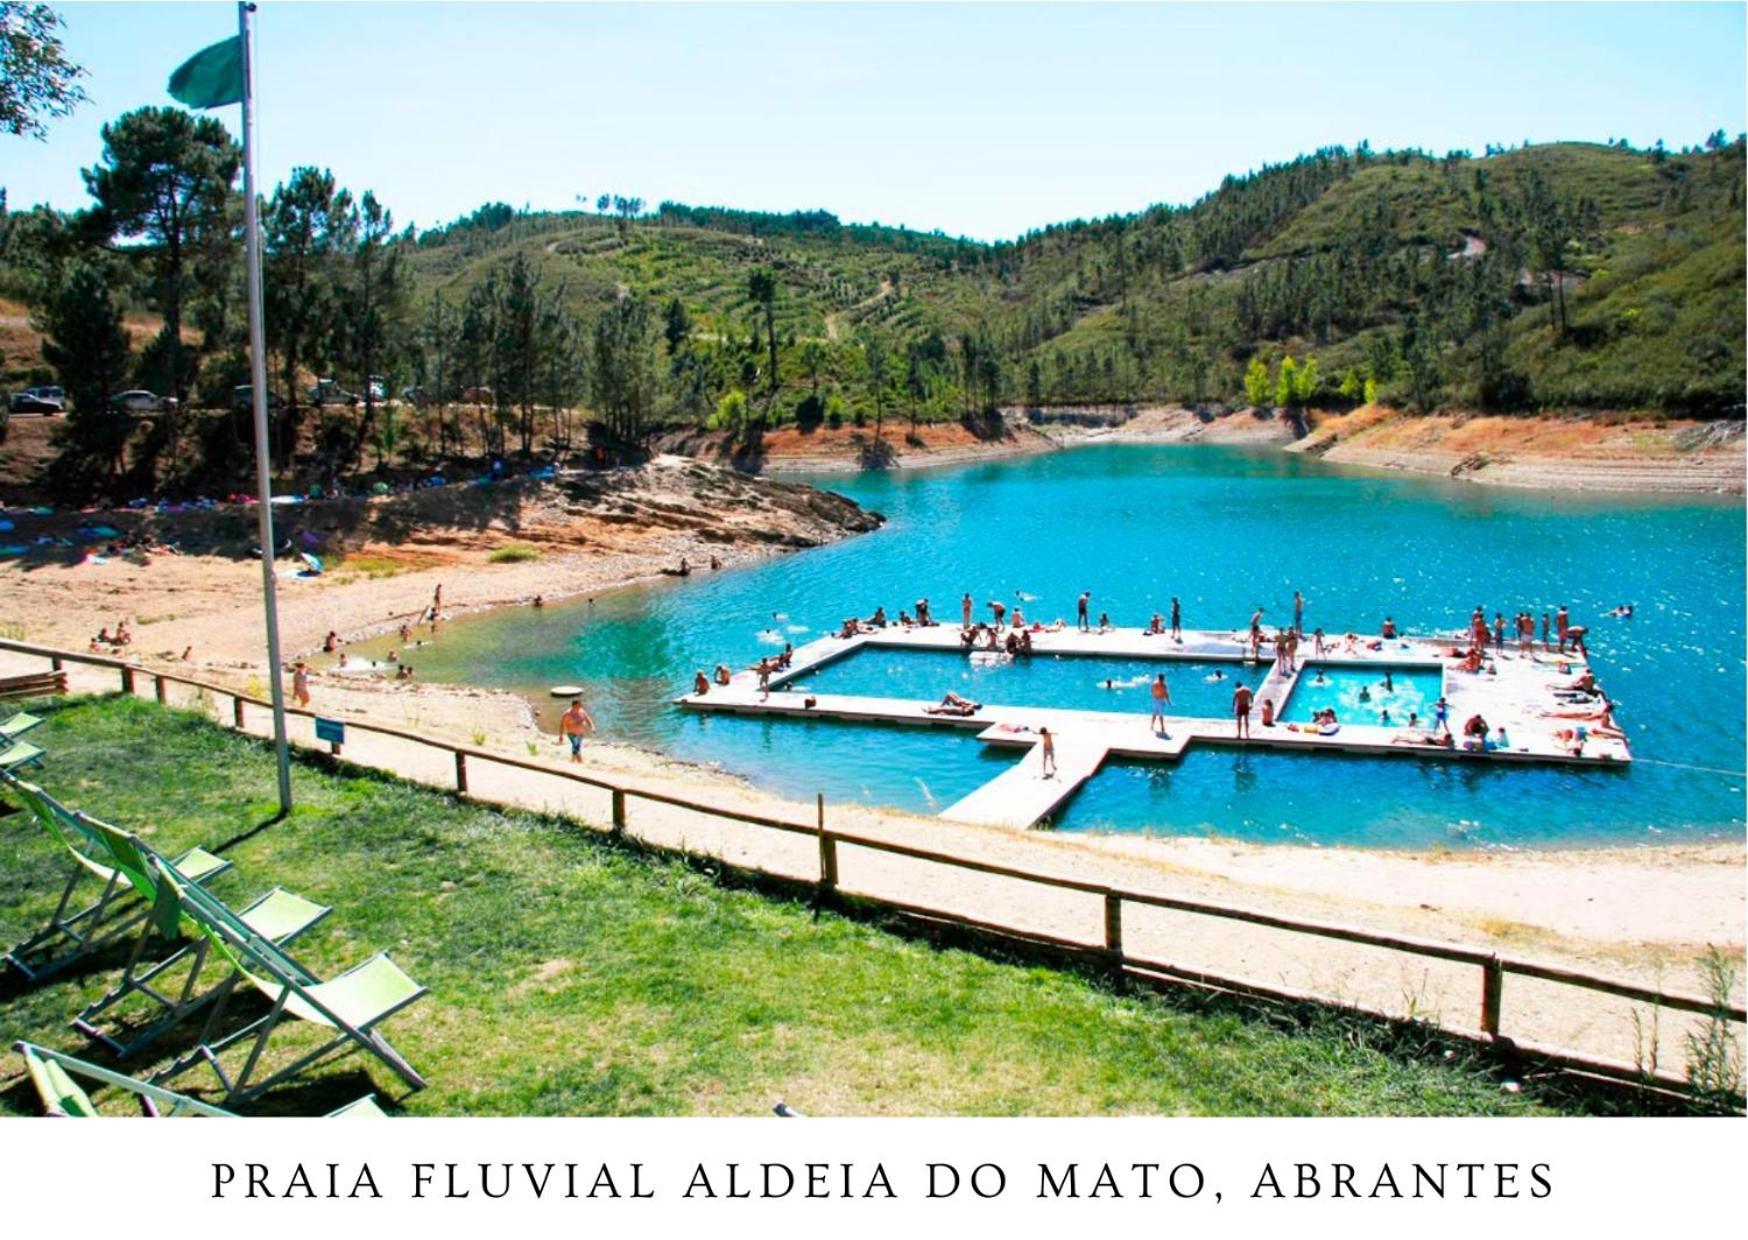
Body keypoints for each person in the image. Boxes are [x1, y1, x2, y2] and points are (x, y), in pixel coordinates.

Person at [559, 698, 596, 763]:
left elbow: (588, 719)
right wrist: (561, 736)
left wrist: (592, 727)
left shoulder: (582, 711)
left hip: (580, 734)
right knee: (576, 746)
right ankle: (579, 762)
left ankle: (573, 761)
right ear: (574, 705)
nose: (581, 706)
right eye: (579, 705)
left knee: (576, 747)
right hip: (572, 733)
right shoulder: (567, 714)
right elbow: (562, 725)